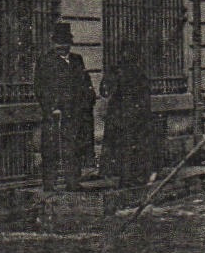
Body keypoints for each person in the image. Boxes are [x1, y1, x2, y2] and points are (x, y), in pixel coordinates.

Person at [35, 21, 95, 191]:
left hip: (74, 112)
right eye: (59, 43)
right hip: (55, 113)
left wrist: (86, 100)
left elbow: (85, 83)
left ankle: (72, 181)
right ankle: (49, 183)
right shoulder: (45, 61)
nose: (62, 46)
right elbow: (40, 88)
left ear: (70, 43)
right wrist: (51, 107)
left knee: (73, 147)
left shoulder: (77, 60)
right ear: (54, 43)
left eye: (65, 43)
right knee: (51, 148)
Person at [100, 40, 160, 188]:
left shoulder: (137, 72)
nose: (128, 55)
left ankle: (131, 177)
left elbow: (144, 95)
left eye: (131, 53)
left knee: (132, 148)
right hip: (123, 116)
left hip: (134, 116)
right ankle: (126, 178)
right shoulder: (117, 71)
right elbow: (105, 91)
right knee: (125, 148)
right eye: (126, 52)